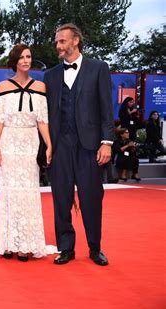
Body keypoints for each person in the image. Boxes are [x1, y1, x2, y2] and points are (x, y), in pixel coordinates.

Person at [44, 24, 114, 266]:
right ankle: (66, 247)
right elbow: (48, 113)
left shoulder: (98, 68)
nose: (58, 46)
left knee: (91, 198)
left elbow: (107, 109)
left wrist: (107, 142)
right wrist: (47, 145)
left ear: (75, 41)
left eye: (62, 41)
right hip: (61, 144)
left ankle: (95, 248)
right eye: (57, 42)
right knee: (61, 198)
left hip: (90, 145)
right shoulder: (50, 75)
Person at [0, 43, 54, 262]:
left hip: (29, 144)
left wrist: (48, 145)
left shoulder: (40, 87)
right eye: (22, 57)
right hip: (9, 143)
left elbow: (43, 121)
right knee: (9, 192)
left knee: (28, 193)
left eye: (29, 56)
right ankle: (9, 244)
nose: (26, 60)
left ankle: (26, 245)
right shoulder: (2, 86)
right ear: (14, 61)